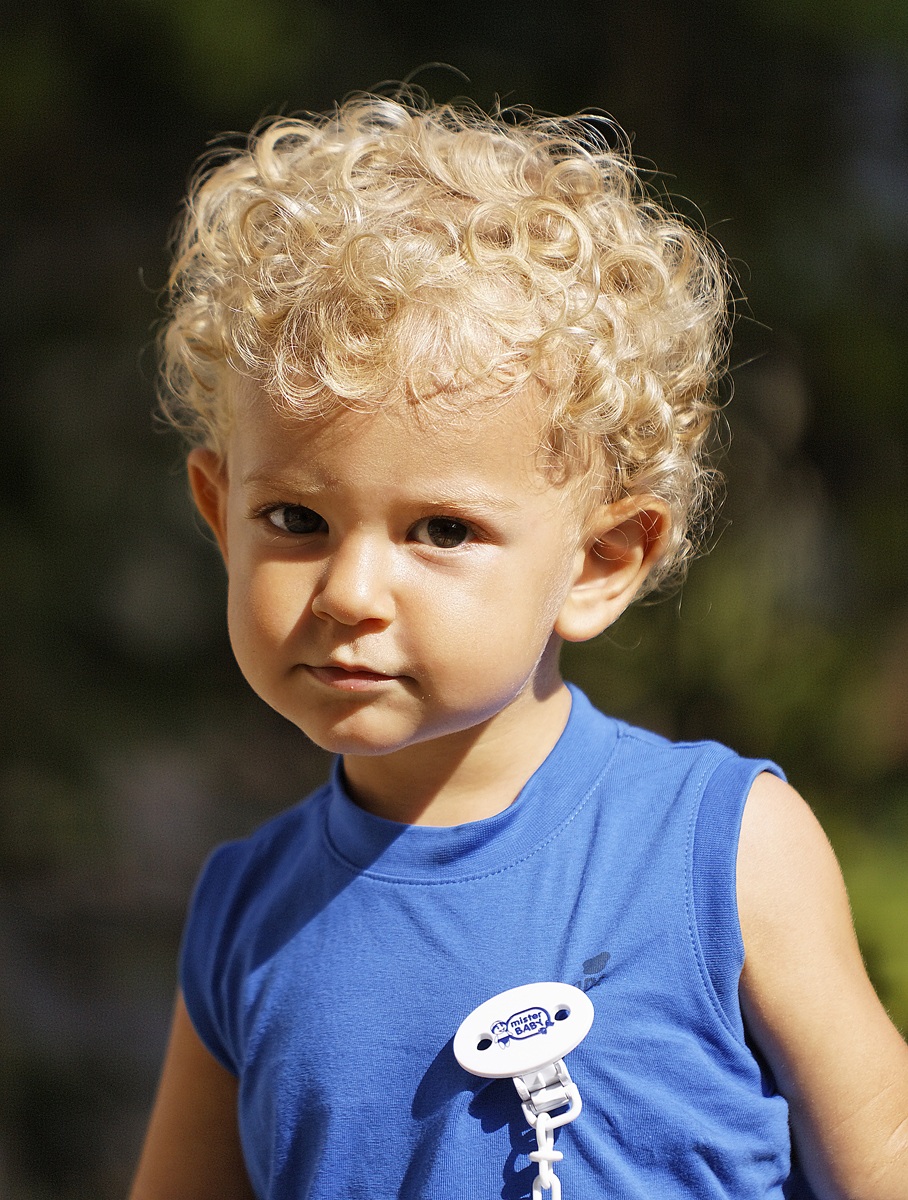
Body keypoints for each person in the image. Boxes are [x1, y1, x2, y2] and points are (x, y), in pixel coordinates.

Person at [128, 94, 908, 1200]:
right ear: (218, 511)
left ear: (598, 561)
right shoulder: (241, 917)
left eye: (439, 531)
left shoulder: (721, 851)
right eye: (295, 521)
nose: (349, 591)